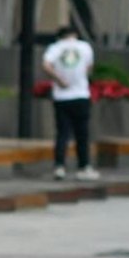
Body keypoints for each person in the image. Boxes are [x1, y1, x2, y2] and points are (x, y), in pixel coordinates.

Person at [43, 23, 98, 181]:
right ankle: (84, 166)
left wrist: (58, 79)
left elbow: (46, 65)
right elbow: (89, 68)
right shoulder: (85, 47)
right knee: (82, 133)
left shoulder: (55, 48)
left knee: (62, 133)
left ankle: (59, 166)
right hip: (81, 94)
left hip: (62, 96)